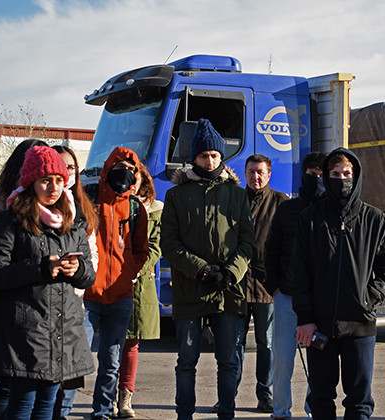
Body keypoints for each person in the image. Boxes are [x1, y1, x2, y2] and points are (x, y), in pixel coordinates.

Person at [0, 145, 95, 420]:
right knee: (22, 403)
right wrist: (44, 267)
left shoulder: (73, 220)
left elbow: (90, 274)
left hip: (63, 326)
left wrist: (76, 268)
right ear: (30, 181)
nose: (53, 187)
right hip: (25, 329)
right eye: (45, 180)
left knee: (48, 402)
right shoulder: (10, 221)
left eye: (59, 180)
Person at [291, 148, 385, 420]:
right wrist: (305, 317)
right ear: (327, 178)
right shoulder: (311, 218)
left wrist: (367, 297)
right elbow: (299, 273)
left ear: (356, 176)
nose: (342, 179)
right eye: (335, 174)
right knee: (320, 398)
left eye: (347, 174)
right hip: (320, 326)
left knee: (360, 400)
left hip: (360, 326)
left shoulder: (374, 219)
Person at [160, 118, 254, 420]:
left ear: (221, 157)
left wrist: (230, 273)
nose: (210, 160)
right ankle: (184, 415)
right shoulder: (176, 196)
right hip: (190, 290)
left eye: (215, 155)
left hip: (228, 291)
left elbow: (246, 241)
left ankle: (227, 413)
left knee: (229, 361)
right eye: (204, 155)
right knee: (187, 360)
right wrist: (202, 271)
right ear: (194, 157)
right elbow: (170, 244)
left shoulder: (238, 195)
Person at [70, 147, 150, 420]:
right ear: (107, 169)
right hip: (88, 295)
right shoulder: (88, 200)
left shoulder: (137, 208)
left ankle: (102, 411)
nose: (124, 174)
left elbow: (142, 250)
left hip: (120, 296)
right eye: (119, 168)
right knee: (76, 359)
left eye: (130, 170)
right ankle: (61, 410)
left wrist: (128, 272)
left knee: (111, 362)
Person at [0, 138, 47, 420]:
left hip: (44, 308)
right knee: (8, 386)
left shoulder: (61, 208)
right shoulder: (1, 204)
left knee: (43, 389)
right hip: (8, 306)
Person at [264, 151, 326, 420]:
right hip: (286, 297)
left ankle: (315, 409)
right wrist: (274, 287)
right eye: (312, 175)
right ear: (303, 174)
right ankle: (281, 412)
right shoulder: (287, 210)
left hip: (320, 300)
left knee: (319, 362)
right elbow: (271, 250)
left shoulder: (332, 212)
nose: (317, 180)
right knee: (282, 361)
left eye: (322, 176)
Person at [230, 154, 288, 413]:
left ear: (269, 175)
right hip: (237, 285)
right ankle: (227, 394)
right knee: (234, 343)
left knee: (266, 344)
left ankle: (265, 394)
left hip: (266, 285)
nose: (256, 177)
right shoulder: (234, 200)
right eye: (251, 172)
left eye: (260, 172)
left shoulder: (280, 202)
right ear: (245, 173)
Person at [51, 144, 99, 420]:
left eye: (70, 168)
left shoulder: (83, 208)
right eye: (60, 166)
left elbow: (91, 258)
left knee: (71, 378)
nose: (66, 173)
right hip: (44, 305)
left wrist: (79, 279)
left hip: (76, 305)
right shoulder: (34, 205)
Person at [115, 161, 163, 418]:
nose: (130, 183)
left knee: (131, 343)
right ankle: (106, 396)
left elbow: (156, 246)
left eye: (136, 178)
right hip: (110, 282)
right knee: (111, 343)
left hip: (139, 282)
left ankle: (125, 399)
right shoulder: (109, 205)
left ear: (143, 181)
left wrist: (134, 269)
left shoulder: (156, 210)